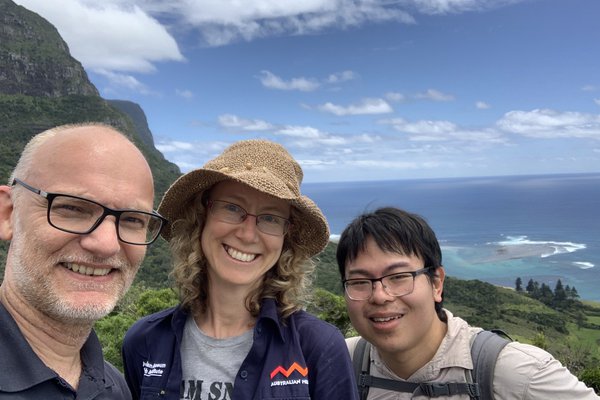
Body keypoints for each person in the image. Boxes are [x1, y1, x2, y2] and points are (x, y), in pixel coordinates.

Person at [122, 139, 358, 400]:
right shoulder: (145, 341)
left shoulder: (318, 347)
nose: (247, 234)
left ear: (285, 238)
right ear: (201, 218)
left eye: (270, 218)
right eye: (232, 208)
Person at [336, 207, 599, 399]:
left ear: (436, 283)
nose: (380, 295)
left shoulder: (516, 372)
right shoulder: (336, 360)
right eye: (360, 281)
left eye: (399, 277)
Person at [0, 123, 166, 399]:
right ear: (8, 213)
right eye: (72, 208)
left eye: (132, 220)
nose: (106, 244)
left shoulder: (115, 387)